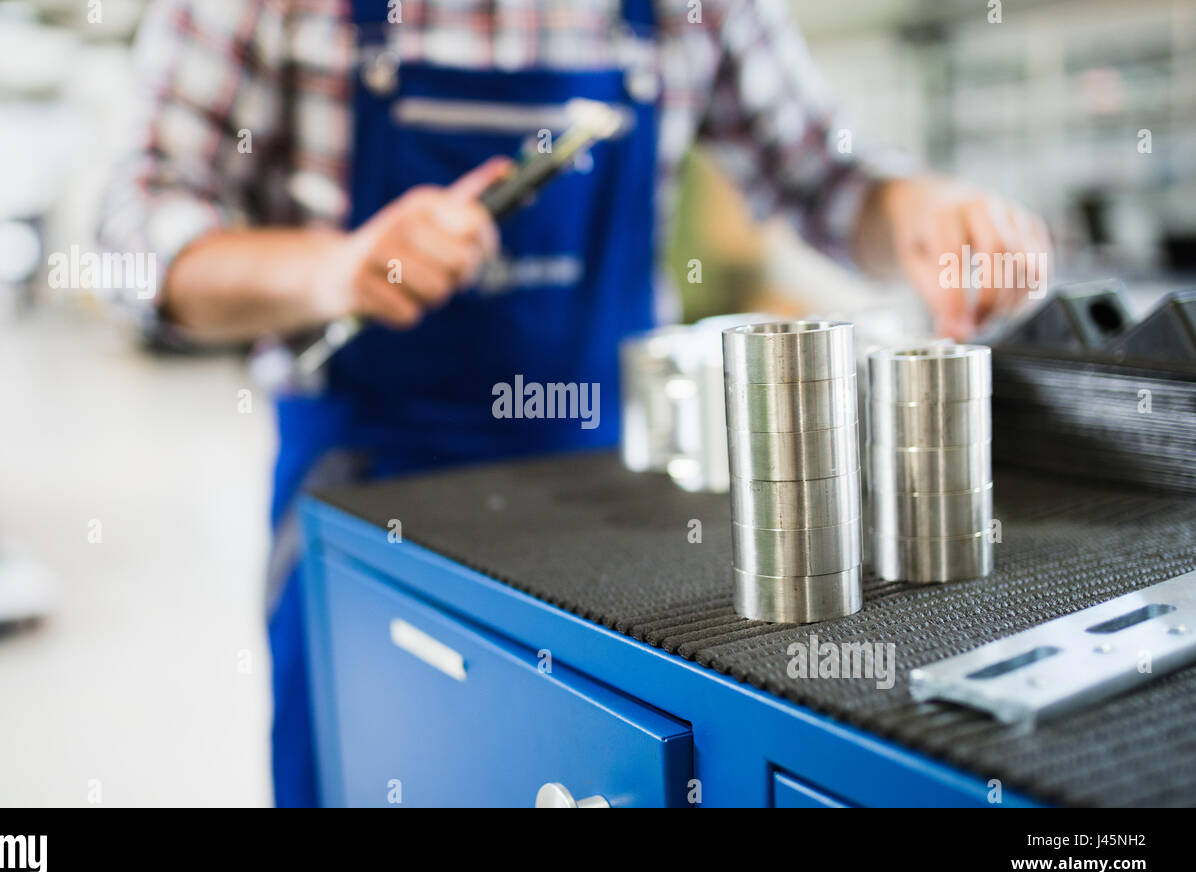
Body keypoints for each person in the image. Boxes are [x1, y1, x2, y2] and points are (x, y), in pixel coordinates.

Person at [99, 0, 1051, 807]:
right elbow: (131, 233)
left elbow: (828, 174)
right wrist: (334, 268)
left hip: (618, 501)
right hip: (363, 491)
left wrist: (924, 215)